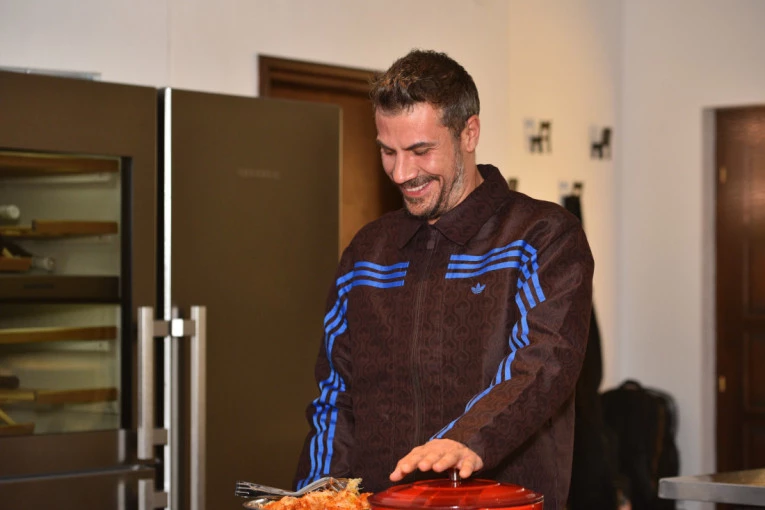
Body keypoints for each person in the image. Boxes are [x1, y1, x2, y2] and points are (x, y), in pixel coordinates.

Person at [293, 49, 594, 510]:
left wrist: (466, 439)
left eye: (420, 151)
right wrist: (315, 496)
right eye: (388, 152)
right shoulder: (367, 253)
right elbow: (335, 396)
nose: (401, 173)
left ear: (468, 133)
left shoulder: (542, 237)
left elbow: (541, 365)